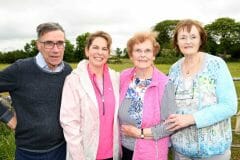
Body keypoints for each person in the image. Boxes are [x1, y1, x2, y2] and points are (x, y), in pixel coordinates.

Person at [166, 19, 238, 160]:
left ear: (200, 40)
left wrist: (192, 118)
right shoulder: (173, 69)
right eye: (183, 37)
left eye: (193, 37)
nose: (188, 41)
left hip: (213, 150)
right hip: (181, 150)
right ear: (177, 42)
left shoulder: (216, 64)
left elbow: (229, 106)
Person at [0, 22, 72, 160]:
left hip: (62, 149)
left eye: (60, 43)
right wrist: (7, 117)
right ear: (38, 45)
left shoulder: (68, 71)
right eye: (49, 43)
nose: (56, 49)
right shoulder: (20, 69)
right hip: (29, 153)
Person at [60, 31, 120, 160]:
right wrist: (79, 156)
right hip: (85, 154)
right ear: (87, 51)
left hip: (112, 154)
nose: (100, 52)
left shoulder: (116, 78)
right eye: (95, 47)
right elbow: (69, 122)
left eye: (104, 49)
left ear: (108, 53)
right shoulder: (74, 80)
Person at [118, 32, 176, 160]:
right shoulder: (123, 77)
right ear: (131, 55)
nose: (143, 55)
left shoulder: (165, 83)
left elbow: (171, 125)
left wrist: (140, 133)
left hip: (150, 153)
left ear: (153, 55)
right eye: (138, 50)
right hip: (123, 150)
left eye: (147, 51)